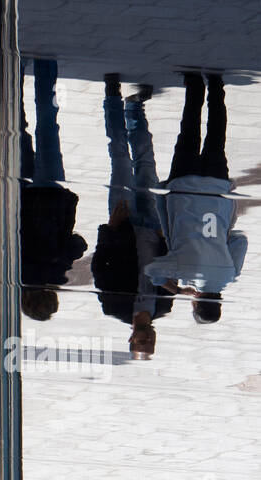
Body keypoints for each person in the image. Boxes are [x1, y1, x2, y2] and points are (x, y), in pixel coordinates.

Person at [144, 73, 246, 321]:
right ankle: (194, 84)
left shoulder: (230, 274)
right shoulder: (184, 271)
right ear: (195, 303)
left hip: (216, 190)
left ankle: (216, 85)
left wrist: (220, 238)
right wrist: (178, 289)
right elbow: (152, 271)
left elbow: (240, 241)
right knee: (188, 134)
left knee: (216, 137)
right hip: (184, 188)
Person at [93, 76, 173, 358]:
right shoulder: (164, 306)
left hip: (123, 224)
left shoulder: (114, 308)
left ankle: (112, 99)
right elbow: (169, 267)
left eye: (141, 344)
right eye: (150, 344)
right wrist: (165, 240)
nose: (146, 340)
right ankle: (135, 109)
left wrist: (111, 229)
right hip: (153, 226)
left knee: (120, 159)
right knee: (146, 163)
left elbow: (100, 267)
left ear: (130, 340)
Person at [19, 58, 87, 320]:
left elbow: (78, 243)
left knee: (48, 128)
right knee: (17, 129)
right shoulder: (15, 271)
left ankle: (45, 68)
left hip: (53, 196)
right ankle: (16, 70)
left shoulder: (57, 271)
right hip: (23, 196)